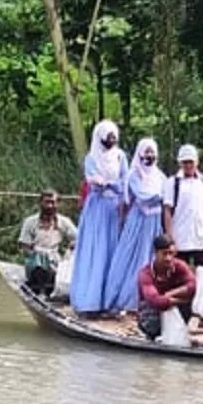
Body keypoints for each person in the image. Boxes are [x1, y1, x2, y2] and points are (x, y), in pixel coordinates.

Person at [103, 138, 167, 313]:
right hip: (138, 221)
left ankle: (149, 299)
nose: (150, 156)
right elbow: (143, 196)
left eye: (152, 152)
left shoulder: (160, 176)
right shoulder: (133, 175)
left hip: (154, 222)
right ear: (139, 153)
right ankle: (126, 299)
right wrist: (163, 196)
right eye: (146, 152)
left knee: (151, 259)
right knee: (132, 259)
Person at [71, 120, 128, 315]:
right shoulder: (91, 158)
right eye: (108, 137)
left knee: (113, 252)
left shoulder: (120, 157)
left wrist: (111, 186)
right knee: (95, 251)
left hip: (115, 209)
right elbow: (93, 182)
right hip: (96, 209)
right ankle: (90, 300)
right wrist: (106, 184)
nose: (111, 141)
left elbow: (124, 183)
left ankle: (110, 300)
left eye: (114, 137)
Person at [135, 234, 197, 340]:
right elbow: (157, 301)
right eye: (164, 254)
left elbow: (192, 285)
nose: (168, 258)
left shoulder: (180, 266)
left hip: (173, 306)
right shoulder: (145, 274)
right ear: (156, 253)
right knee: (152, 314)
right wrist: (181, 300)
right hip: (152, 312)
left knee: (192, 303)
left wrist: (170, 294)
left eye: (171, 253)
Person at [18, 189, 77, 296]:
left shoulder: (64, 221)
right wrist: (34, 255)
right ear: (40, 203)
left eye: (53, 202)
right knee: (39, 264)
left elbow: (78, 238)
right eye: (47, 202)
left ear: (58, 204)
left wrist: (72, 246)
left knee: (61, 268)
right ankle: (40, 289)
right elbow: (24, 246)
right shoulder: (30, 222)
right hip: (34, 260)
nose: (50, 206)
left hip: (54, 259)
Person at [163, 144, 203, 268]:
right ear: (180, 163)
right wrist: (170, 239)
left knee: (202, 276)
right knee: (179, 276)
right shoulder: (172, 182)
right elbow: (167, 211)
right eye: (185, 162)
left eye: (191, 162)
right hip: (179, 238)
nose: (188, 165)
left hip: (199, 238)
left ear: (197, 162)